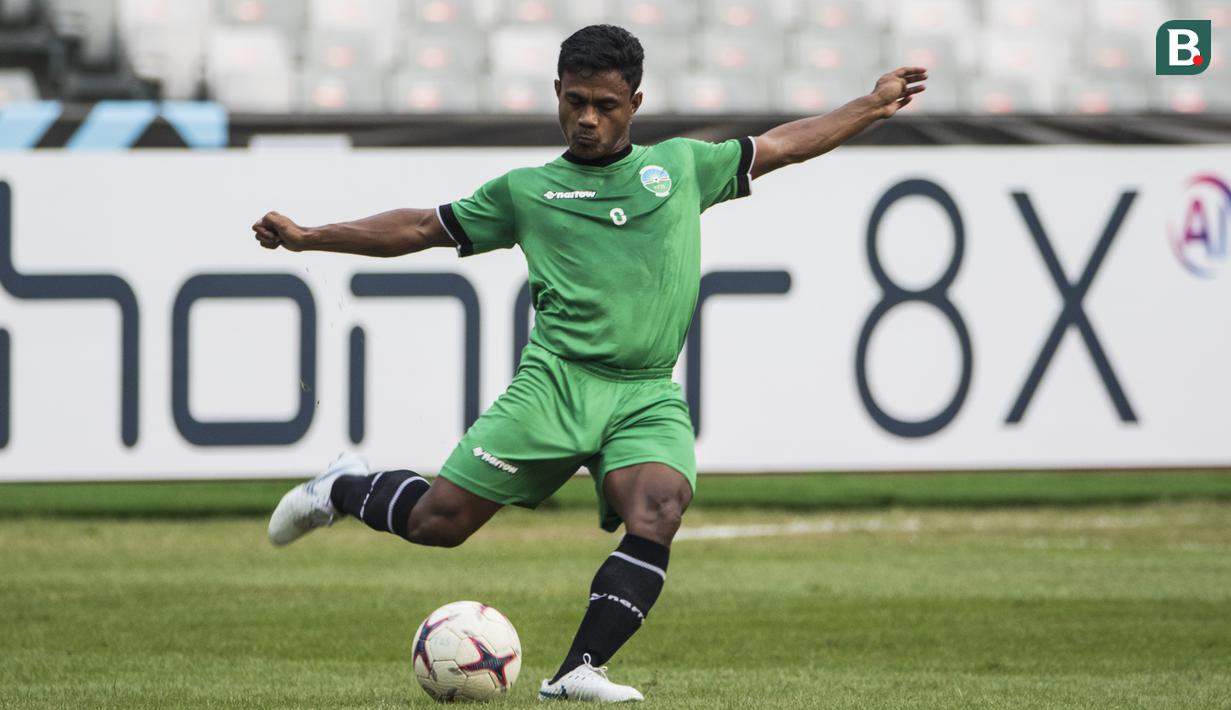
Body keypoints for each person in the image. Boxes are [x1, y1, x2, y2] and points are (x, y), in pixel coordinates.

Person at [256, 24, 925, 703]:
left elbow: (783, 145)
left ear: (634, 101)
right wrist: (312, 235)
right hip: (554, 386)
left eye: (604, 105)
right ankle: (342, 488)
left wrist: (870, 104)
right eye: (574, 101)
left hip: (644, 393)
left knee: (660, 506)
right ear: (555, 93)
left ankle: (576, 671)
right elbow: (421, 228)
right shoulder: (527, 191)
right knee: (438, 524)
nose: (586, 118)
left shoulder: (682, 169)